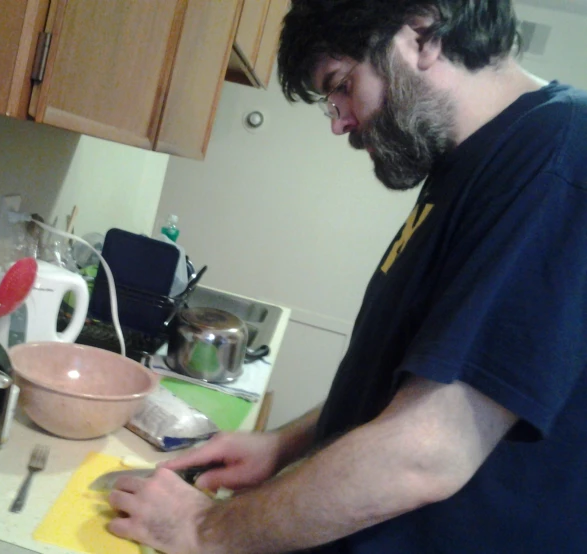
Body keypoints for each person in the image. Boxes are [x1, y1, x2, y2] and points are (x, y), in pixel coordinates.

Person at [107, 1, 587, 552]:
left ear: (423, 34)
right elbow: (399, 382)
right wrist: (283, 446)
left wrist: (202, 528)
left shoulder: (558, 160)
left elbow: (427, 452)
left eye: (341, 84)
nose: (339, 121)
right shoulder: (468, 168)